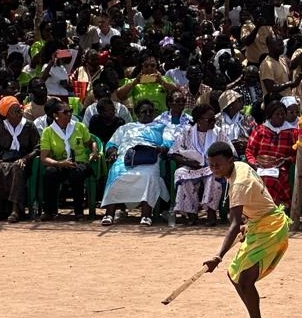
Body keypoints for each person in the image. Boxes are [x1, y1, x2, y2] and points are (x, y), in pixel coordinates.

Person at [203, 141, 290, 318]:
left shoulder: (239, 183)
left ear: (229, 160)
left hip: (270, 228)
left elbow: (233, 224)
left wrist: (218, 256)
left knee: (245, 280)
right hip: (258, 224)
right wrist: (248, 224)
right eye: (211, 165)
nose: (215, 169)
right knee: (235, 274)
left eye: (218, 165)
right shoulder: (240, 167)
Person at [99, 99, 173, 227]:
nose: (148, 114)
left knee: (149, 175)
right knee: (115, 172)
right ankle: (109, 214)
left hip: (149, 158)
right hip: (127, 158)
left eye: (151, 111)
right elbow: (112, 144)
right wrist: (112, 152)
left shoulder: (161, 127)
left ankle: (146, 215)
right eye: (144, 112)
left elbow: (168, 143)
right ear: (137, 114)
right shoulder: (126, 128)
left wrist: (161, 148)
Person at [39, 97, 98, 221]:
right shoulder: (48, 132)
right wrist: (59, 163)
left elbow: (91, 142)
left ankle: (79, 212)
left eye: (70, 111)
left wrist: (94, 151)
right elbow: (44, 158)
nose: (70, 114)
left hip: (79, 162)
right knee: (50, 173)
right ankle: (49, 211)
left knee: (76, 173)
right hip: (60, 163)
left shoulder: (79, 126)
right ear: (55, 115)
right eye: (65, 112)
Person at [0, 96, 40, 222]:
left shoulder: (29, 126)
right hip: (4, 159)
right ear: (6, 114)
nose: (20, 113)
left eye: (20, 110)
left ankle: (15, 210)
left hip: (23, 160)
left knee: (17, 168)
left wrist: (25, 158)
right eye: (16, 111)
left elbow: (38, 147)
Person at [171, 103, 224, 224]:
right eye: (210, 119)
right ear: (199, 120)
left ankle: (211, 212)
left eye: (214, 118)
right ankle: (191, 213)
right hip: (192, 166)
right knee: (180, 173)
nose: (213, 122)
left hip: (212, 166)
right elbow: (173, 152)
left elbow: (230, 151)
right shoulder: (187, 132)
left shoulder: (218, 132)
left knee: (214, 174)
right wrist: (187, 161)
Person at [244, 99, 300, 209]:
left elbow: (296, 154)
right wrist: (254, 163)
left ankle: (268, 210)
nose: (281, 117)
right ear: (270, 116)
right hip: (259, 167)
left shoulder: (292, 132)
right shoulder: (260, 130)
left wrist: (286, 160)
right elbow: (250, 150)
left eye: (283, 114)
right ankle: (267, 209)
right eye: (277, 114)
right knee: (256, 181)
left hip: (280, 168)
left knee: (270, 180)